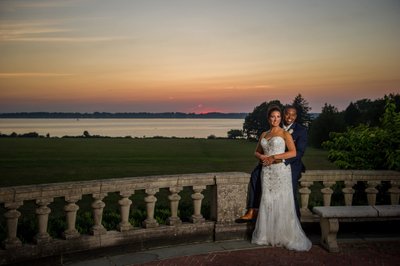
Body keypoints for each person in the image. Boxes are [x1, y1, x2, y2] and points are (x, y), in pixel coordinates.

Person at [251, 105, 311, 251]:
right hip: (267, 171)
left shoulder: (285, 134)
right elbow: (256, 151)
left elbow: (293, 152)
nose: (276, 119)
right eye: (273, 116)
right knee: (267, 199)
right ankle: (267, 235)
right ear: (268, 118)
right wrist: (262, 157)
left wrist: (274, 157)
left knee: (283, 199)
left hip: (281, 171)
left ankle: (285, 234)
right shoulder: (264, 134)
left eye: (278, 116)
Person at [239, 105, 307, 220]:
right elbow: (259, 150)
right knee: (256, 175)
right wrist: (263, 158)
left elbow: (298, 152)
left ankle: (295, 220)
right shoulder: (273, 128)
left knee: (290, 192)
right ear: (283, 114)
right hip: (268, 164)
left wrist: (278, 159)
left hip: (290, 164)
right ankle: (253, 210)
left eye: (293, 114)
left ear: (296, 116)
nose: (289, 117)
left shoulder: (300, 130)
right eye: (287, 114)